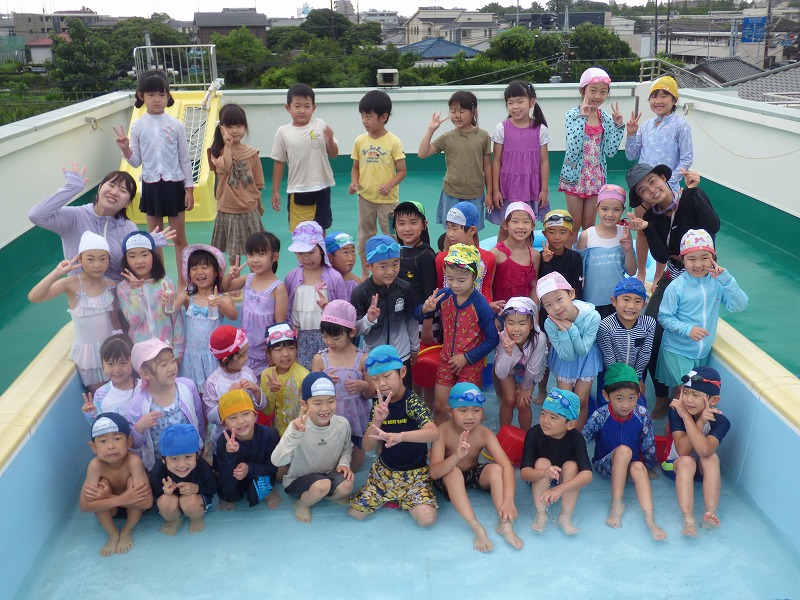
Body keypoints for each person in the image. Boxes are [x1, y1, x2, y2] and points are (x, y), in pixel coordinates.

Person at [626, 163, 719, 418]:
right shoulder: (652, 216)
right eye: (643, 191)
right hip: (673, 278)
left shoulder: (692, 195)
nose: (651, 191)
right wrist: (646, 229)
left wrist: (693, 194)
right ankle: (663, 396)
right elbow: (661, 254)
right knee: (651, 329)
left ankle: (691, 394)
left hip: (701, 277)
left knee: (691, 332)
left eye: (653, 182)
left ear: (664, 178)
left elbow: (713, 225)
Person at [27, 164, 173, 284]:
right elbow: (36, 215)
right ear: (99, 188)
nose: (115, 192)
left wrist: (145, 245)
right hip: (85, 298)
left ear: (128, 202)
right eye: (111, 185)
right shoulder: (75, 216)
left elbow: (133, 268)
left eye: (122, 190)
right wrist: (70, 189)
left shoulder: (128, 228)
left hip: (120, 300)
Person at [114, 71, 193, 283]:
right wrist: (125, 149)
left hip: (174, 185)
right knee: (156, 240)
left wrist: (190, 189)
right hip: (151, 187)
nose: (156, 99)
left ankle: (184, 283)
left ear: (168, 97)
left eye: (161, 94)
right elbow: (136, 162)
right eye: (151, 95)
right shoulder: (138, 126)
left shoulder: (176, 125)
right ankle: (161, 282)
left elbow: (185, 160)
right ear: (141, 97)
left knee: (179, 239)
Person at [349, 345, 439, 526]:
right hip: (384, 474)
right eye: (375, 379)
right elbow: (367, 446)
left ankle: (402, 499)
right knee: (354, 515)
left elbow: (433, 433)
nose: (381, 384)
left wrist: (401, 436)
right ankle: (395, 498)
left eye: (387, 376)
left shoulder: (412, 402)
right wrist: (377, 420)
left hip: (415, 475)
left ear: (403, 372)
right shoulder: (378, 404)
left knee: (426, 520)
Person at [429, 383, 522, 552]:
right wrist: (456, 456)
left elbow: (507, 466)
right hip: (447, 475)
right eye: (463, 410)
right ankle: (476, 526)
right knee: (453, 471)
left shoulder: (484, 433)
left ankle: (505, 523)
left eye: (476, 410)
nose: (470, 416)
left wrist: (509, 500)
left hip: (472, 472)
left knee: (496, 470)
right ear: (450, 412)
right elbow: (434, 472)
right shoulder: (442, 431)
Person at [656, 230, 748, 395]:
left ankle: (675, 415)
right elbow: (664, 317)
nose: (698, 265)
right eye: (691, 259)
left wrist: (727, 280)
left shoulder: (717, 283)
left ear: (713, 257)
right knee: (685, 392)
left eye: (704, 258)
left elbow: (739, 305)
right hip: (677, 349)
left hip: (702, 352)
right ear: (682, 259)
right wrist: (687, 329)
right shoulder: (676, 287)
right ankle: (670, 413)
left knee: (692, 396)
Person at [582, 363, 667, 540]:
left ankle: (650, 519)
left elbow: (648, 443)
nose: (626, 404)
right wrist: (578, 464)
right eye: (619, 398)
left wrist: (649, 466)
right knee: (623, 451)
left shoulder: (641, 414)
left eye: (632, 398)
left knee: (638, 467)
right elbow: (583, 440)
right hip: (605, 466)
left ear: (639, 395)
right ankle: (616, 504)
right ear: (606, 396)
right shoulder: (600, 415)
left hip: (630, 467)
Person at [28, 231, 120, 392]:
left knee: (119, 390)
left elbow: (113, 319)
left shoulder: (110, 285)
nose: (97, 265)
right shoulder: (71, 284)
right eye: (90, 259)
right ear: (80, 259)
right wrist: (57, 273)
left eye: (103, 259)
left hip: (110, 349)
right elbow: (34, 296)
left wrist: (122, 342)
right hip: (88, 355)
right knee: (99, 395)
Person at [417, 243, 499, 424]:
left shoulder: (481, 305)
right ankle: (440, 448)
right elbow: (417, 314)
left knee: (464, 412)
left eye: (461, 280)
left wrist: (467, 358)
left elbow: (493, 339)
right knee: (439, 407)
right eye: (450, 278)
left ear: (474, 276)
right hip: (446, 359)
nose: (454, 285)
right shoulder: (445, 295)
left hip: (470, 364)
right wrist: (425, 309)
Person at [625, 76, 693, 283]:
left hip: (667, 191)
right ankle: (642, 272)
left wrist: (669, 184)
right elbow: (631, 155)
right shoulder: (645, 126)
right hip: (643, 189)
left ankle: (659, 274)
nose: (658, 100)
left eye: (664, 95)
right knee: (643, 232)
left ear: (674, 99)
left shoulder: (681, 125)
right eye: (654, 96)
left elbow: (687, 158)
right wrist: (630, 134)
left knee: (663, 233)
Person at [271, 372, 354, 523]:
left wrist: (344, 464)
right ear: (304, 404)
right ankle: (301, 503)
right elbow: (277, 461)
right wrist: (295, 435)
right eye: (317, 403)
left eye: (330, 401)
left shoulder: (342, 424)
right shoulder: (298, 426)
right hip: (299, 480)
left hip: (327, 474)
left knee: (347, 486)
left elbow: (347, 448)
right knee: (322, 485)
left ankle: (326, 497)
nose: (325, 408)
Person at [559, 67, 625, 241]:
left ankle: (586, 260)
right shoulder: (572, 115)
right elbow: (573, 148)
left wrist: (618, 127)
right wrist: (582, 117)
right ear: (583, 90)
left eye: (603, 92)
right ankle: (570, 261)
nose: (597, 96)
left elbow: (610, 152)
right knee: (573, 223)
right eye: (593, 91)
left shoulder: (606, 119)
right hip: (574, 175)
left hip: (595, 176)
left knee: (589, 223)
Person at [662, 366, 729, 536]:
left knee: (711, 458)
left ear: (713, 400)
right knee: (687, 461)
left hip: (700, 471)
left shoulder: (721, 422)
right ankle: (688, 520)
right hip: (674, 466)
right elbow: (683, 451)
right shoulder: (677, 412)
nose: (688, 400)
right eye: (686, 393)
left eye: (696, 395)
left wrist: (697, 421)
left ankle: (710, 513)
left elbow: (704, 450)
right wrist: (691, 419)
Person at [349, 89, 407, 275]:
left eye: (368, 116)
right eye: (362, 116)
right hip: (365, 199)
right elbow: (356, 168)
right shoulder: (359, 141)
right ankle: (367, 272)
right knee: (365, 236)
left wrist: (390, 184)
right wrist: (354, 183)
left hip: (388, 202)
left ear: (383, 117)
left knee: (392, 235)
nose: (364, 121)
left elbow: (402, 171)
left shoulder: (393, 142)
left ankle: (396, 268)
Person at [520, 389, 592, 535]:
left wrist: (559, 489)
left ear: (570, 424)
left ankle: (565, 516)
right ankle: (541, 514)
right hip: (538, 476)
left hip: (564, 480)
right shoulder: (534, 433)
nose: (545, 421)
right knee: (542, 462)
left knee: (571, 466)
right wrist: (544, 473)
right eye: (543, 413)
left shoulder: (576, 438)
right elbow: (525, 473)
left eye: (554, 417)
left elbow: (587, 475)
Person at [351, 235, 419, 391]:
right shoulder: (360, 293)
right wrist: (368, 319)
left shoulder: (405, 289)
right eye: (383, 266)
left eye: (395, 264)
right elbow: (354, 331)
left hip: (401, 356)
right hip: (374, 358)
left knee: (404, 396)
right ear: (369, 266)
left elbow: (411, 321)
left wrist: (414, 348)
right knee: (378, 399)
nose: (390, 271)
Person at [417, 90, 492, 231]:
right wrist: (431, 129)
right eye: (453, 111)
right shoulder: (447, 137)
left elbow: (487, 166)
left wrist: (490, 192)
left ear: (473, 112)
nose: (457, 115)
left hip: (475, 194)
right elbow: (422, 153)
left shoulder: (483, 136)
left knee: (472, 231)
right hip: (451, 193)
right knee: (451, 231)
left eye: (462, 111)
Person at [79, 413, 152, 556]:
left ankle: (127, 529)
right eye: (103, 441)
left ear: (129, 441)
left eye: (117, 439)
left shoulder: (133, 462)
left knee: (133, 483)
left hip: (135, 508)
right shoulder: (95, 466)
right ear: (93, 447)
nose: (111, 446)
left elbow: (147, 502)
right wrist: (120, 499)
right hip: (112, 509)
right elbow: (84, 505)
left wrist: (109, 497)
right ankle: (112, 533)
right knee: (100, 486)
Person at [311, 300, 372, 472]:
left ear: (352, 332)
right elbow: (310, 395)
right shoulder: (320, 359)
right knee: (328, 458)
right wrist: (322, 380)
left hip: (355, 419)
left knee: (357, 463)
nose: (329, 342)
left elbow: (371, 393)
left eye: (336, 337)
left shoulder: (363, 359)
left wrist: (363, 385)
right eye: (325, 336)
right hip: (329, 418)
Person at [128, 338, 204, 472]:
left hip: (189, 459)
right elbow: (134, 443)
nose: (171, 367)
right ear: (145, 373)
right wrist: (140, 426)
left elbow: (198, 418)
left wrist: (201, 443)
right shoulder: (139, 403)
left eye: (173, 360)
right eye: (163, 365)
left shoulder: (187, 387)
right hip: (160, 465)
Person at [537, 272, 602, 430]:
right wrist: (563, 330)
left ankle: (577, 436)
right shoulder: (550, 324)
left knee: (581, 400)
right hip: (564, 358)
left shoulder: (592, 316)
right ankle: (562, 435)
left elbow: (582, 350)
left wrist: (570, 327)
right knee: (564, 401)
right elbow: (567, 356)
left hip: (587, 357)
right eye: (548, 305)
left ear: (571, 293)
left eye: (559, 299)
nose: (556, 308)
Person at [270, 83, 338, 232]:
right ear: (287, 107)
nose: (302, 110)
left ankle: (321, 256)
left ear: (314, 107)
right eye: (297, 106)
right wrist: (275, 191)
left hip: (323, 187)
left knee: (321, 231)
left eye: (307, 106)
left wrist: (330, 140)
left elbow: (334, 154)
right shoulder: (283, 132)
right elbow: (279, 162)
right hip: (299, 189)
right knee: (302, 234)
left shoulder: (320, 124)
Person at [220, 231, 287, 377]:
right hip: (244, 349)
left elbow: (279, 325)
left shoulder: (278, 287)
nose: (254, 260)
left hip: (264, 353)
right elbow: (223, 288)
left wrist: (273, 354)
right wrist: (230, 275)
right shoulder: (248, 279)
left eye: (261, 254)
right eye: (251, 255)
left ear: (274, 257)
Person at [489, 81, 550, 237]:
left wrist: (543, 190)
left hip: (531, 188)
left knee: (527, 228)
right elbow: (496, 161)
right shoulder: (501, 128)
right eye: (510, 103)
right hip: (507, 189)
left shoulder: (540, 129)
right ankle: (500, 260)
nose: (515, 106)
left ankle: (525, 260)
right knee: (505, 227)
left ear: (532, 102)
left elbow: (544, 162)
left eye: (520, 101)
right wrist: (496, 190)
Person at [284, 221, 347, 369]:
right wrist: (289, 327)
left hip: (328, 337)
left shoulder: (334, 277)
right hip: (299, 337)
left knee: (329, 373)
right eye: (300, 253)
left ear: (321, 249)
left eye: (311, 252)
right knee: (303, 376)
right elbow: (286, 307)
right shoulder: (291, 277)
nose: (306, 258)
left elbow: (344, 308)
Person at [207, 103, 265, 262]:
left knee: (255, 251)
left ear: (245, 127)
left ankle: (253, 283)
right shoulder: (215, 153)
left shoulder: (252, 153)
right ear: (222, 128)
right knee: (234, 256)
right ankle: (234, 285)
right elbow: (226, 166)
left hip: (249, 210)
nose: (234, 130)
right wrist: (227, 145)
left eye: (239, 125)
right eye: (229, 126)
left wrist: (259, 205)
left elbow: (257, 184)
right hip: (229, 210)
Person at [537, 209, 584, 402]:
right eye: (552, 232)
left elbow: (576, 289)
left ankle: (566, 387)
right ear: (544, 234)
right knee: (545, 351)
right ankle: (541, 390)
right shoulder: (539, 257)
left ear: (571, 234)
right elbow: (541, 287)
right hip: (546, 313)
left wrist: (571, 313)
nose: (557, 237)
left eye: (563, 232)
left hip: (568, 311)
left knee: (566, 349)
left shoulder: (575, 258)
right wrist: (546, 262)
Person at [176, 244, 237, 391]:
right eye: (194, 268)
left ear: (216, 272)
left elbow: (234, 315)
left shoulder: (222, 297)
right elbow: (170, 310)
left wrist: (220, 303)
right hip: (192, 357)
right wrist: (166, 301)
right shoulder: (187, 295)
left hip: (213, 358)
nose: (199, 272)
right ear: (188, 273)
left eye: (205, 267)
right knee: (195, 392)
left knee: (215, 391)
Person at [116, 231, 185, 359]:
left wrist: (177, 354)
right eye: (132, 256)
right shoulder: (123, 288)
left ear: (153, 256)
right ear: (126, 260)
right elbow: (134, 321)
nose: (139, 261)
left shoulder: (165, 283)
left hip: (167, 351)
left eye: (144, 254)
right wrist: (136, 291)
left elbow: (177, 320)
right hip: (142, 354)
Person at [575, 184, 636, 318]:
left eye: (616, 210)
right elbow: (578, 272)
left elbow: (632, 271)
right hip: (592, 300)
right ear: (597, 208)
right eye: (604, 209)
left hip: (618, 301)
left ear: (623, 210)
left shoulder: (624, 234)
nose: (610, 214)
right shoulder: (586, 236)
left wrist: (628, 250)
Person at [214, 389, 281, 510]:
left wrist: (249, 469)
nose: (240, 421)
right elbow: (224, 473)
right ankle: (231, 497)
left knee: (259, 486)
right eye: (233, 417)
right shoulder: (223, 441)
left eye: (245, 414)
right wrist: (230, 454)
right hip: (235, 477)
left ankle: (270, 492)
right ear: (224, 424)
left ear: (255, 415)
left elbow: (273, 467)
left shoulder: (269, 435)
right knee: (226, 487)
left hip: (259, 473)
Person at [149, 423, 217, 535]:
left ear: (197, 455)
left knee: (189, 501)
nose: (182, 464)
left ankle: (196, 519)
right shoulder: (159, 469)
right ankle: (174, 520)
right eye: (174, 458)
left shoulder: (202, 467)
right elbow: (154, 492)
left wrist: (196, 488)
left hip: (195, 503)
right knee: (165, 502)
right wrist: (164, 490)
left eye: (188, 457)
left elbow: (213, 489)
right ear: (163, 460)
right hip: (171, 505)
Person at [204, 325, 265, 449]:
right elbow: (211, 416)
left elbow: (261, 406)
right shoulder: (213, 382)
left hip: (249, 434)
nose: (247, 357)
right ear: (226, 359)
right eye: (242, 355)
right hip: (225, 440)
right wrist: (228, 398)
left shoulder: (248, 373)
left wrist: (256, 391)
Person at [596, 279, 656, 402]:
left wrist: (637, 377)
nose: (631, 306)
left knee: (637, 405)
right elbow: (609, 357)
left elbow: (645, 353)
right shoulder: (605, 326)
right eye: (626, 299)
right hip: (610, 372)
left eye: (638, 301)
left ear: (644, 305)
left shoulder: (649, 324)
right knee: (606, 404)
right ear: (614, 301)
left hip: (636, 373)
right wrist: (621, 381)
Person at [494, 297, 547, 430]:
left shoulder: (539, 338)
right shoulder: (503, 338)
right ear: (505, 323)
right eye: (511, 323)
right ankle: (503, 435)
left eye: (522, 323)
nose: (516, 329)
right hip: (508, 368)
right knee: (509, 399)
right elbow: (501, 373)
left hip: (529, 369)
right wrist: (508, 353)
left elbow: (533, 369)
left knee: (523, 403)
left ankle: (526, 437)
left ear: (531, 324)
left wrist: (525, 387)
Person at [391, 201, 438, 346]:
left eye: (413, 222)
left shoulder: (425, 255)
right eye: (401, 223)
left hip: (423, 319)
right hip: (404, 315)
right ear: (395, 227)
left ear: (424, 224)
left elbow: (430, 290)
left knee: (422, 357)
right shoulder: (398, 252)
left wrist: (428, 324)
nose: (407, 228)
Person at [435, 201, 496, 305]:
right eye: (448, 227)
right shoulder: (441, 259)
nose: (450, 234)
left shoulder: (488, 258)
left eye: (454, 228)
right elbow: (440, 289)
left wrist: (489, 307)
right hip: (449, 314)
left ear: (472, 230)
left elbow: (486, 290)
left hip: (478, 313)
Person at [260, 322, 309, 436]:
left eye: (291, 348)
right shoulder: (266, 375)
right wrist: (271, 391)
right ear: (269, 353)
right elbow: (267, 411)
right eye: (278, 350)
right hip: (279, 434)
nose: (286, 354)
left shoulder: (304, 376)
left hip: (301, 433)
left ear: (297, 349)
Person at [82, 334, 140, 424]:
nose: (117, 369)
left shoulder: (144, 387)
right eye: (110, 364)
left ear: (133, 361)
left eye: (123, 363)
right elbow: (99, 427)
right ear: (102, 364)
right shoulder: (101, 394)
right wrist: (91, 414)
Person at [490, 202, 541, 304]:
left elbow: (533, 288)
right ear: (505, 224)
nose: (521, 226)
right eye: (515, 221)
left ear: (532, 226)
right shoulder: (496, 254)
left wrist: (535, 316)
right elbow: (488, 287)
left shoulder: (534, 256)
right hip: (500, 312)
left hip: (524, 313)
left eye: (526, 222)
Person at [324, 231, 361, 300]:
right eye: (345, 253)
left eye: (353, 252)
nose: (351, 258)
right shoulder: (321, 281)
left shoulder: (356, 284)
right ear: (330, 257)